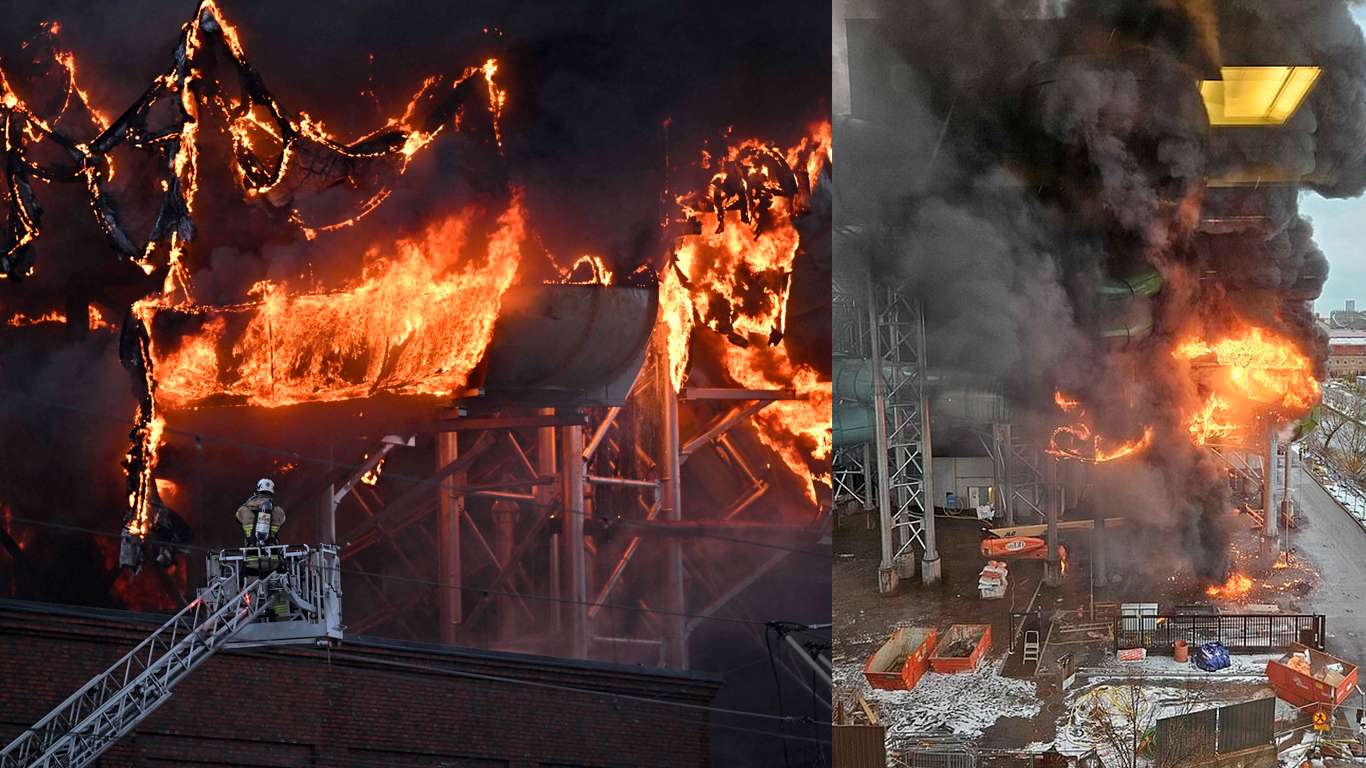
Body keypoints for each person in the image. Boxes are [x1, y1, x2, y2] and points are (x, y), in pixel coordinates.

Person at [236, 478, 285, 547]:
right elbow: (282, 521)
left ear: (258, 489)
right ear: (272, 491)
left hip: (250, 553)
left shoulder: (244, 509)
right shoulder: (279, 511)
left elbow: (238, 518)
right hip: (272, 553)